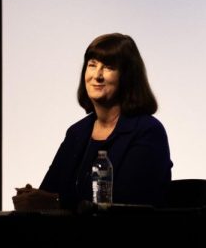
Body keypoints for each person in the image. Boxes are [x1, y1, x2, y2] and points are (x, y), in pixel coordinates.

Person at [13, 33, 172, 210]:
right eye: (92, 65)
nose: (97, 75)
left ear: (127, 77)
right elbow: (49, 191)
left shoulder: (147, 131)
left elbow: (127, 202)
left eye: (109, 67)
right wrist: (33, 198)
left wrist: (57, 201)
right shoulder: (77, 133)